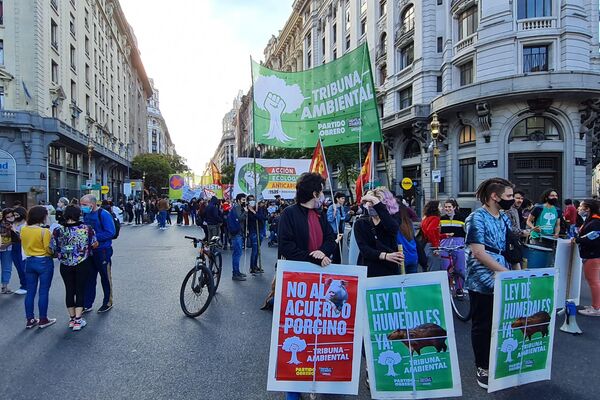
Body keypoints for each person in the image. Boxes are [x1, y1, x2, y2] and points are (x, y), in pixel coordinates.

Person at [277, 172, 336, 400]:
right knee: (295, 334)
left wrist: (325, 252)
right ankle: (293, 387)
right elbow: (286, 247)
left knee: (319, 334)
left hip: (322, 284)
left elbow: (331, 239)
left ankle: (319, 379)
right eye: (321, 190)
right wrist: (315, 258)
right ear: (314, 193)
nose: (323, 194)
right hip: (297, 285)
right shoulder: (289, 214)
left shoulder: (320, 215)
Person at [464, 177, 520, 389]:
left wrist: (517, 274)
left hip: (503, 271)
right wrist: (504, 273)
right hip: (482, 278)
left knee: (503, 322)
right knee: (483, 324)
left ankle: (497, 359)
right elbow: (478, 253)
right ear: (494, 197)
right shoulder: (476, 218)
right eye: (508, 196)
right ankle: (482, 367)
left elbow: (511, 247)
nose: (512, 200)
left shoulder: (504, 218)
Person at [51, 205, 98, 330]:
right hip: (82, 263)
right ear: (79, 215)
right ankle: (78, 319)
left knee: (69, 290)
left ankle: (72, 319)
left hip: (65, 264)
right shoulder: (87, 229)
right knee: (80, 290)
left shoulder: (58, 230)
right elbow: (94, 244)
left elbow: (53, 248)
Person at [354, 188, 404, 277]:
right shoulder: (360, 223)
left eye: (375, 203)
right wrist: (385, 256)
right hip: (368, 272)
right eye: (369, 203)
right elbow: (364, 249)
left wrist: (377, 203)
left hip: (389, 271)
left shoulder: (392, 220)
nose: (371, 206)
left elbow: (393, 228)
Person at [20, 205, 56, 329]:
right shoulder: (44, 231)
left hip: (29, 261)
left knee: (30, 291)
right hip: (44, 261)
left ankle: (30, 319)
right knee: (43, 291)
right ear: (42, 216)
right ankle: (43, 319)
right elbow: (48, 248)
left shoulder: (24, 230)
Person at [80, 194, 116, 313]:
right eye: (81, 205)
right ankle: (87, 303)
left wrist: (93, 237)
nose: (82, 207)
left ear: (93, 203)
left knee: (105, 277)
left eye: (84, 205)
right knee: (89, 277)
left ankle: (108, 301)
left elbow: (111, 232)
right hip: (90, 251)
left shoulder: (104, 214)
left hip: (103, 250)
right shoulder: (87, 214)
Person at [574, 199, 600, 316]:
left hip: (593, 255)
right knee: (593, 281)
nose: (579, 209)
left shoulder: (595, 222)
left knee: (593, 281)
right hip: (590, 254)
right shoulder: (591, 221)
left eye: (581, 206)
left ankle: (596, 308)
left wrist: (577, 240)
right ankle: (595, 305)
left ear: (587, 208)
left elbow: (592, 238)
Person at [440, 199, 466, 281]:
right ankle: (446, 288)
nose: (447, 209)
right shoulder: (441, 219)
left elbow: (467, 231)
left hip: (459, 244)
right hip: (445, 245)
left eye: (449, 207)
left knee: (460, 268)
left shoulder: (461, 218)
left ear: (454, 207)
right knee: (445, 268)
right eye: (446, 207)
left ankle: (459, 289)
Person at [421, 201, 451, 271]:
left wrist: (445, 235)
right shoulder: (435, 218)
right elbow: (430, 231)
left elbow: (431, 233)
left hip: (426, 246)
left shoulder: (426, 219)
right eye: (440, 206)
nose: (442, 208)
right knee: (434, 270)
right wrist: (436, 247)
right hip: (432, 247)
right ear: (435, 208)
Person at [327, 192, 352, 263]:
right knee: (334, 248)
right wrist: (334, 213)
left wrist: (348, 214)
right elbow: (329, 219)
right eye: (342, 198)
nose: (344, 200)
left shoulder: (341, 207)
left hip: (341, 230)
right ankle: (333, 262)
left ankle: (338, 263)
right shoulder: (332, 207)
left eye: (344, 198)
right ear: (337, 199)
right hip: (334, 231)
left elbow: (343, 218)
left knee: (339, 249)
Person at [227, 194, 247, 281]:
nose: (245, 201)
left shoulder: (237, 207)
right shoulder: (237, 207)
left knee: (237, 254)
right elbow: (239, 218)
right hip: (237, 234)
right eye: (243, 200)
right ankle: (235, 274)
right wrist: (245, 212)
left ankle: (237, 272)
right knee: (237, 254)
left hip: (238, 234)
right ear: (238, 200)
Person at [10, 207, 28, 295]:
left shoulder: (26, 224)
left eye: (17, 215)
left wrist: (16, 231)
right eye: (15, 215)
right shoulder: (13, 222)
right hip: (13, 245)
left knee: (22, 266)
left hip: (22, 246)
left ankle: (25, 285)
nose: (16, 216)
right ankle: (23, 284)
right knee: (18, 266)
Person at [246, 195, 266, 274]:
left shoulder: (259, 208)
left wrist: (254, 212)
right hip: (253, 231)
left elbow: (262, 217)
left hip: (260, 230)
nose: (252, 201)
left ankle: (256, 265)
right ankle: (252, 267)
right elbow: (253, 219)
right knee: (254, 250)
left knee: (258, 249)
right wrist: (254, 214)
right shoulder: (247, 211)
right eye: (250, 200)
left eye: (253, 200)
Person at [0, 208, 16, 294]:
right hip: (4, 247)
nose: (10, 218)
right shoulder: (2, 224)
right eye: (8, 217)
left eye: (12, 216)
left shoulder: (15, 224)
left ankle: (4, 286)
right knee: (6, 267)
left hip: (8, 248)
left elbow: (16, 238)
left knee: (7, 267)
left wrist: (7, 244)